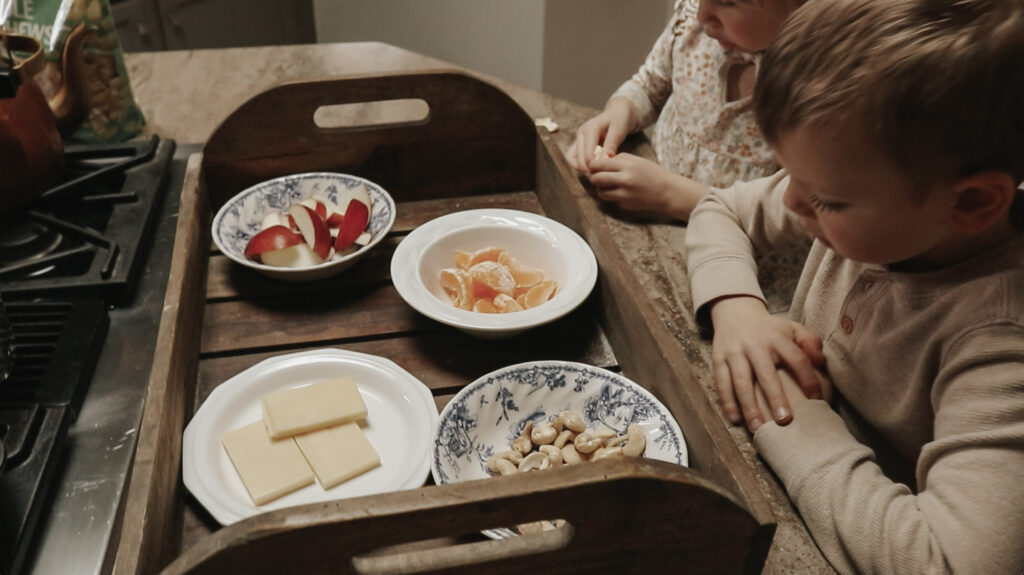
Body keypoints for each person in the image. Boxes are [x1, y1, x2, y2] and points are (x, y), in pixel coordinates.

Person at [685, 0, 1024, 572]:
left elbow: (947, 563)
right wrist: (739, 312)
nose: (791, 202)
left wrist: (789, 413)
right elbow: (721, 208)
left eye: (826, 200)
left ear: (971, 202)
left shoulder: (1000, 345)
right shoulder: (879, 203)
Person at [565, 0, 803, 222]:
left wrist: (669, 194)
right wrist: (620, 112)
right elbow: (649, 86)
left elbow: (790, 216)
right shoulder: (692, 25)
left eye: (726, 1)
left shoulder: (812, 86)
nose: (702, 16)